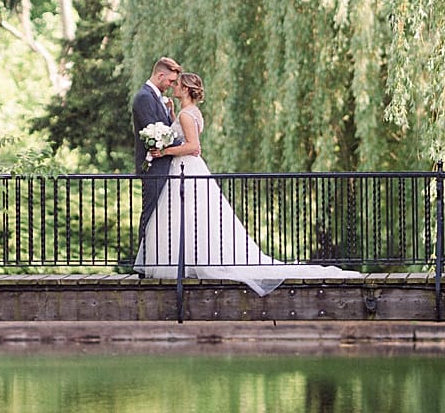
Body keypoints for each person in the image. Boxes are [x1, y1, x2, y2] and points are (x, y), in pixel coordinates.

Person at [139, 72, 348, 295]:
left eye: (178, 84)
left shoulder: (186, 116)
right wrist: (172, 115)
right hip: (189, 168)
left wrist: (164, 151)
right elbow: (185, 137)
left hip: (184, 168)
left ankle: (188, 263)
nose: (174, 87)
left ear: (186, 89)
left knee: (187, 215)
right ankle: (189, 262)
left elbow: (193, 147)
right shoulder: (192, 112)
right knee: (191, 216)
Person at [131, 56, 183, 260]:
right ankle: (144, 263)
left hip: (162, 164)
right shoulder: (144, 97)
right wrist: (185, 145)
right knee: (150, 213)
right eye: (170, 81)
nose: (171, 85)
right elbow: (153, 133)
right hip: (153, 166)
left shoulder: (156, 97)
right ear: (160, 75)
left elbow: (166, 129)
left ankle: (158, 260)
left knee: (161, 215)